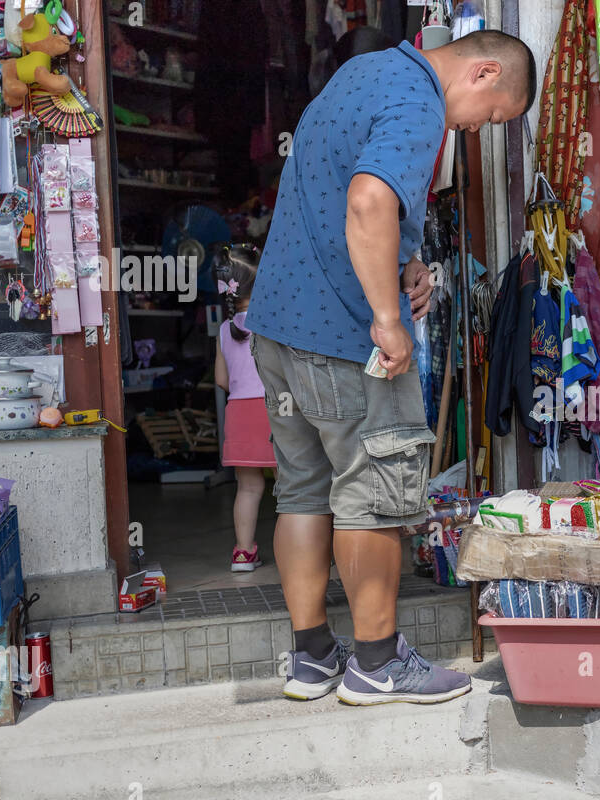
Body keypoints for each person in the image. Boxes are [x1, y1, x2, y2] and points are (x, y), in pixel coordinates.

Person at [246, 29, 536, 705]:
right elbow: (368, 201)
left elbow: (337, 192)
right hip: (345, 337)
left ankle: (312, 656)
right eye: (490, 115)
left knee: (302, 491)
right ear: (483, 71)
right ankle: (377, 663)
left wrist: (404, 263)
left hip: (280, 327)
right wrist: (385, 315)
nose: (474, 129)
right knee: (372, 494)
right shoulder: (420, 100)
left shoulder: (367, 73)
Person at [212, 244, 274, 573]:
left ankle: (243, 554)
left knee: (248, 487)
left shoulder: (224, 330)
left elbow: (222, 380)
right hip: (275, 410)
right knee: (293, 488)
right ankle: (305, 549)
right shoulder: (273, 323)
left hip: (239, 415)